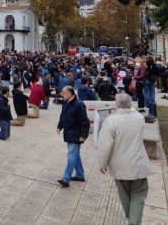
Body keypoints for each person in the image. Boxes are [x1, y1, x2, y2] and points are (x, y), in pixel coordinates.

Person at [97, 93, 153, 225]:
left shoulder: (111, 121)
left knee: (125, 197)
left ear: (116, 104)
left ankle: (133, 221)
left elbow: (105, 146)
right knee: (138, 195)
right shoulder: (139, 117)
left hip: (121, 165)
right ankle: (134, 221)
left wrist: (102, 164)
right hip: (139, 163)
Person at [56, 86, 90, 187]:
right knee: (75, 155)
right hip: (68, 133)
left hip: (76, 135)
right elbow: (63, 116)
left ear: (70, 94)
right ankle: (80, 175)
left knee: (71, 155)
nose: (61, 95)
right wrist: (59, 126)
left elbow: (85, 122)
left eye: (63, 93)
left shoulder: (79, 104)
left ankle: (66, 179)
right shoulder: (66, 102)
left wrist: (83, 135)